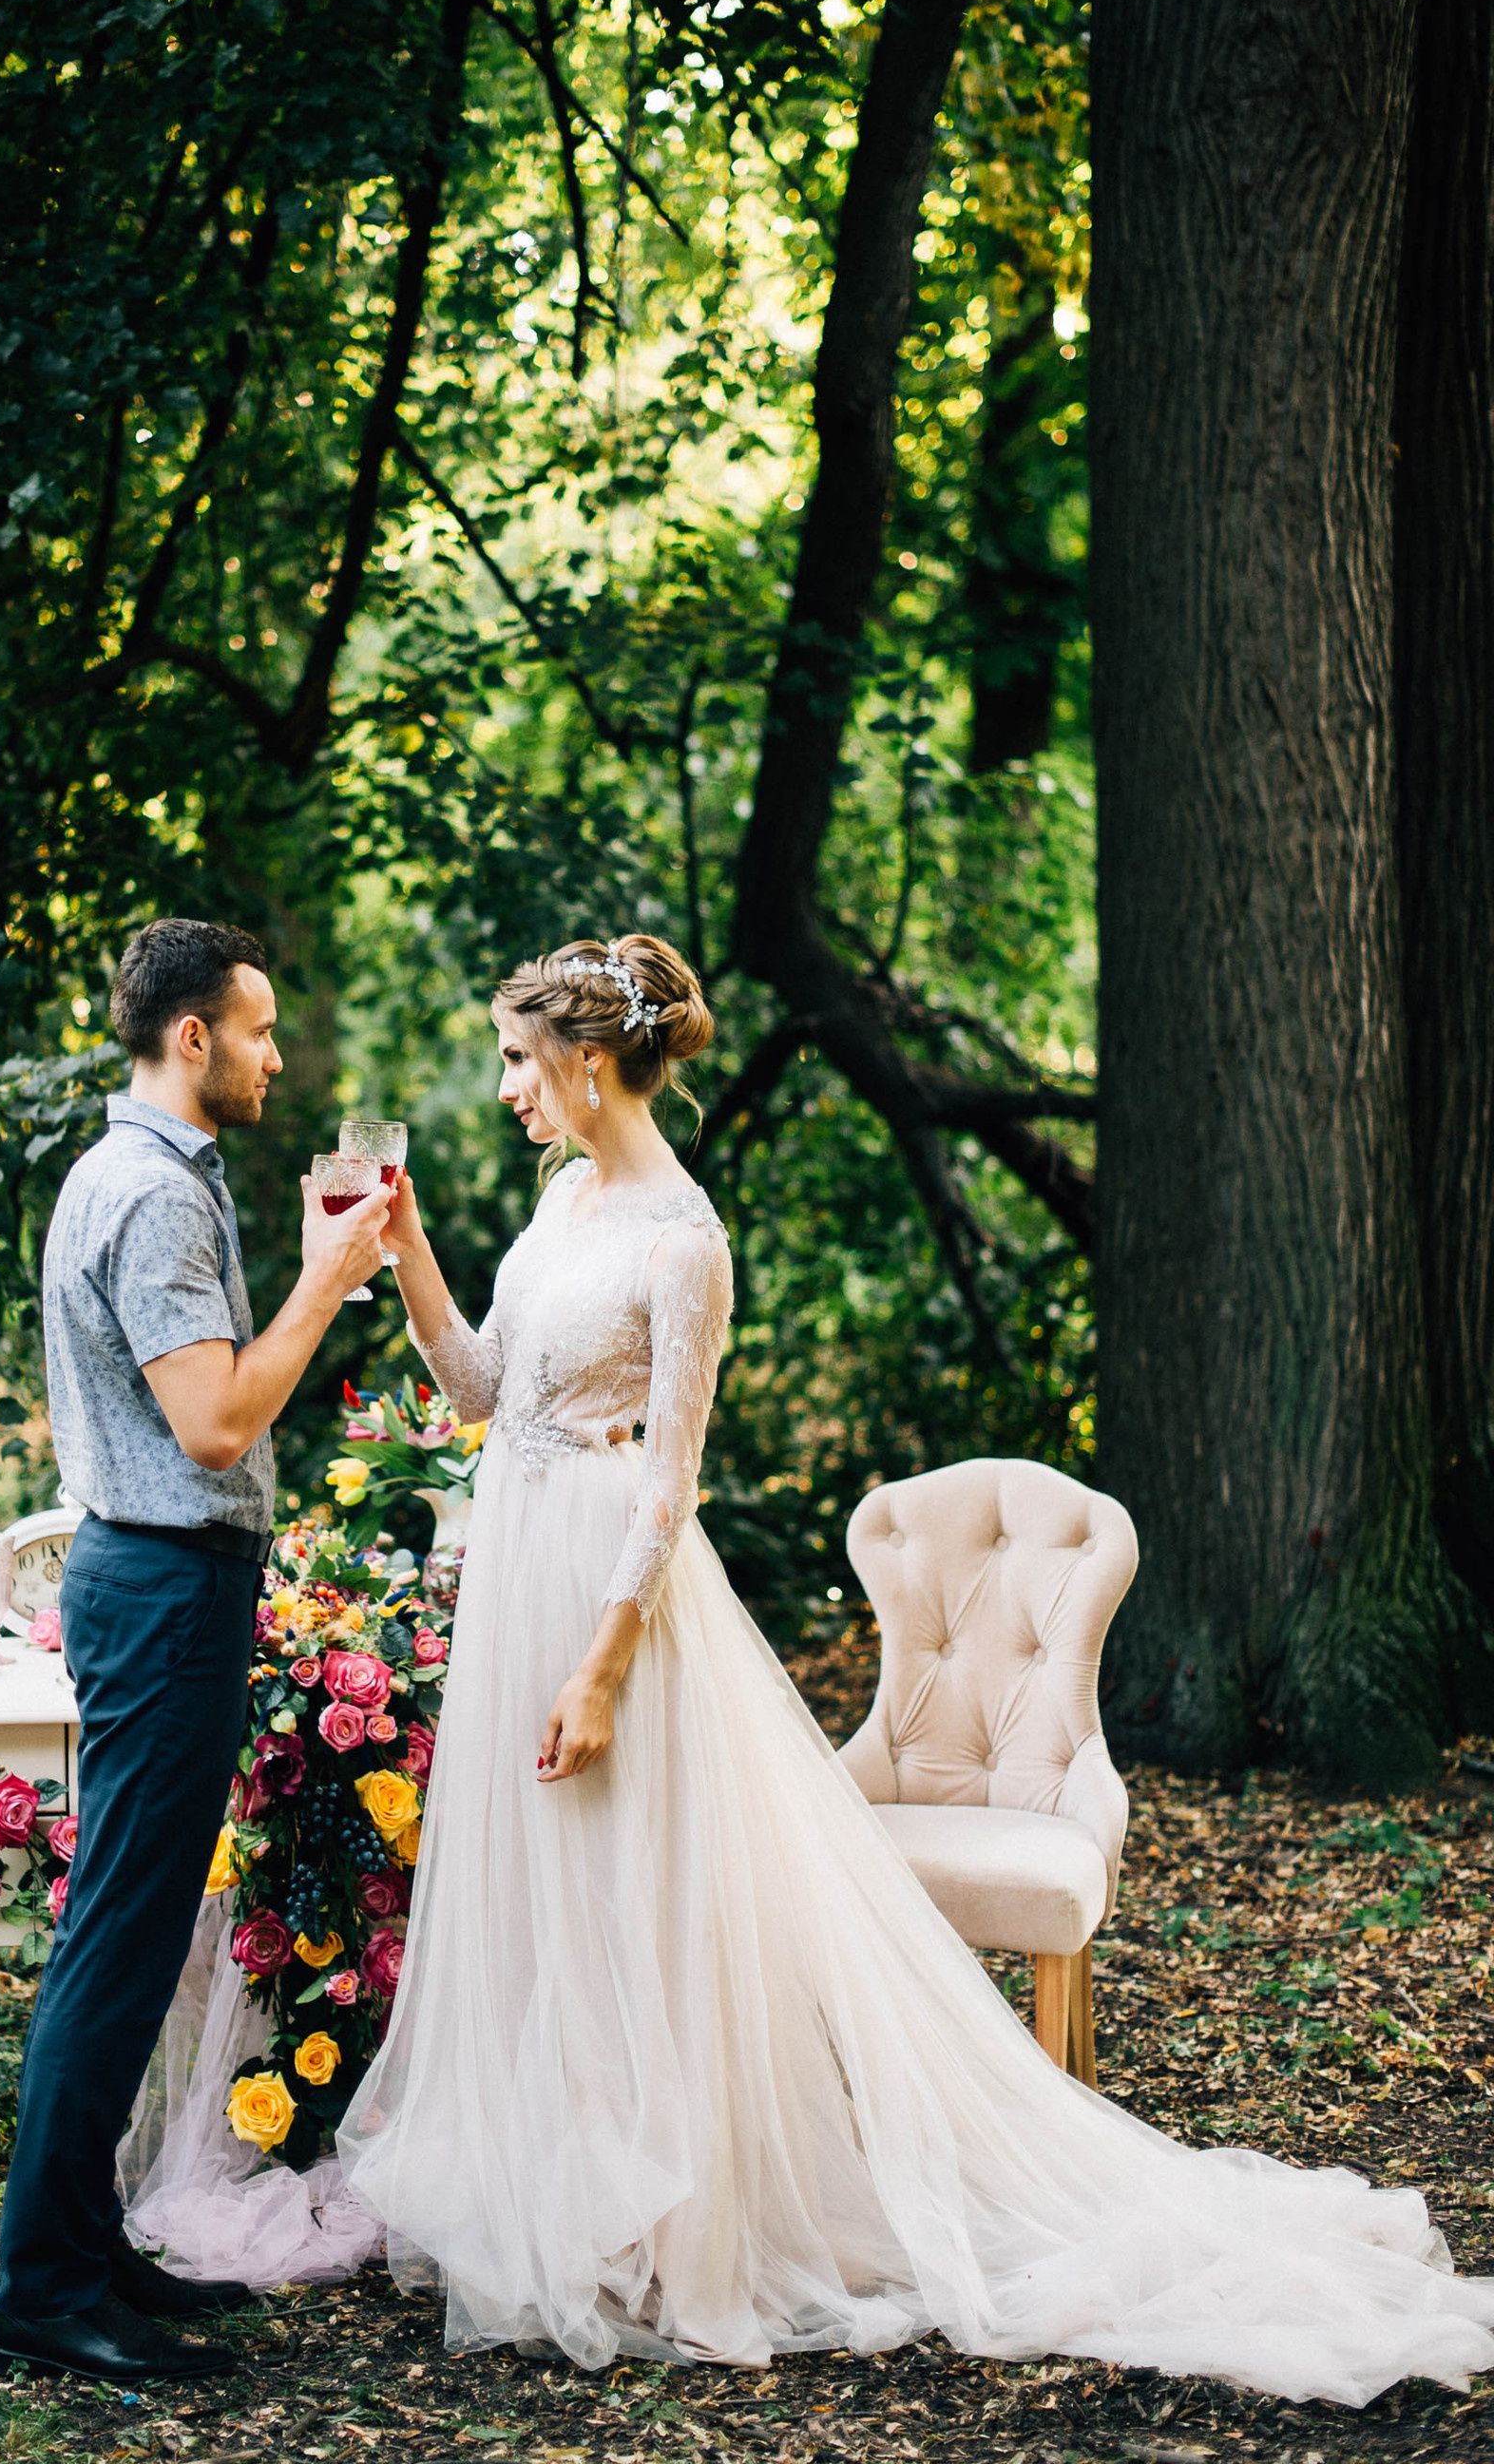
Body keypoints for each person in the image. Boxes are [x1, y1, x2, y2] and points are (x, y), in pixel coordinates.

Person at [336, 931, 1494, 2402]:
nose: (506, 1085)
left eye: (518, 1058)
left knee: (636, 1902)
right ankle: (574, 2205)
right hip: (521, 1573)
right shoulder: (563, 1200)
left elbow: (670, 1486)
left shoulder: (684, 1243)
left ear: (587, 1058)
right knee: (551, 1900)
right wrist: (408, 1250)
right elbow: (485, 1392)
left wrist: (604, 1670)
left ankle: (681, 2234)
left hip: (607, 1603)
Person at [0, 918, 393, 2384]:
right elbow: (216, 1423)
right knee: (122, 1933)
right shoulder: (154, 1196)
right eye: (261, 1030)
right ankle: (44, 2288)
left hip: (161, 1580)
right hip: (164, 1587)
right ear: (193, 1036)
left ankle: (85, 2246)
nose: (278, 1056)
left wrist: (316, 1272)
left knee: (136, 1928)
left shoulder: (141, 1174)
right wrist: (326, 1278)